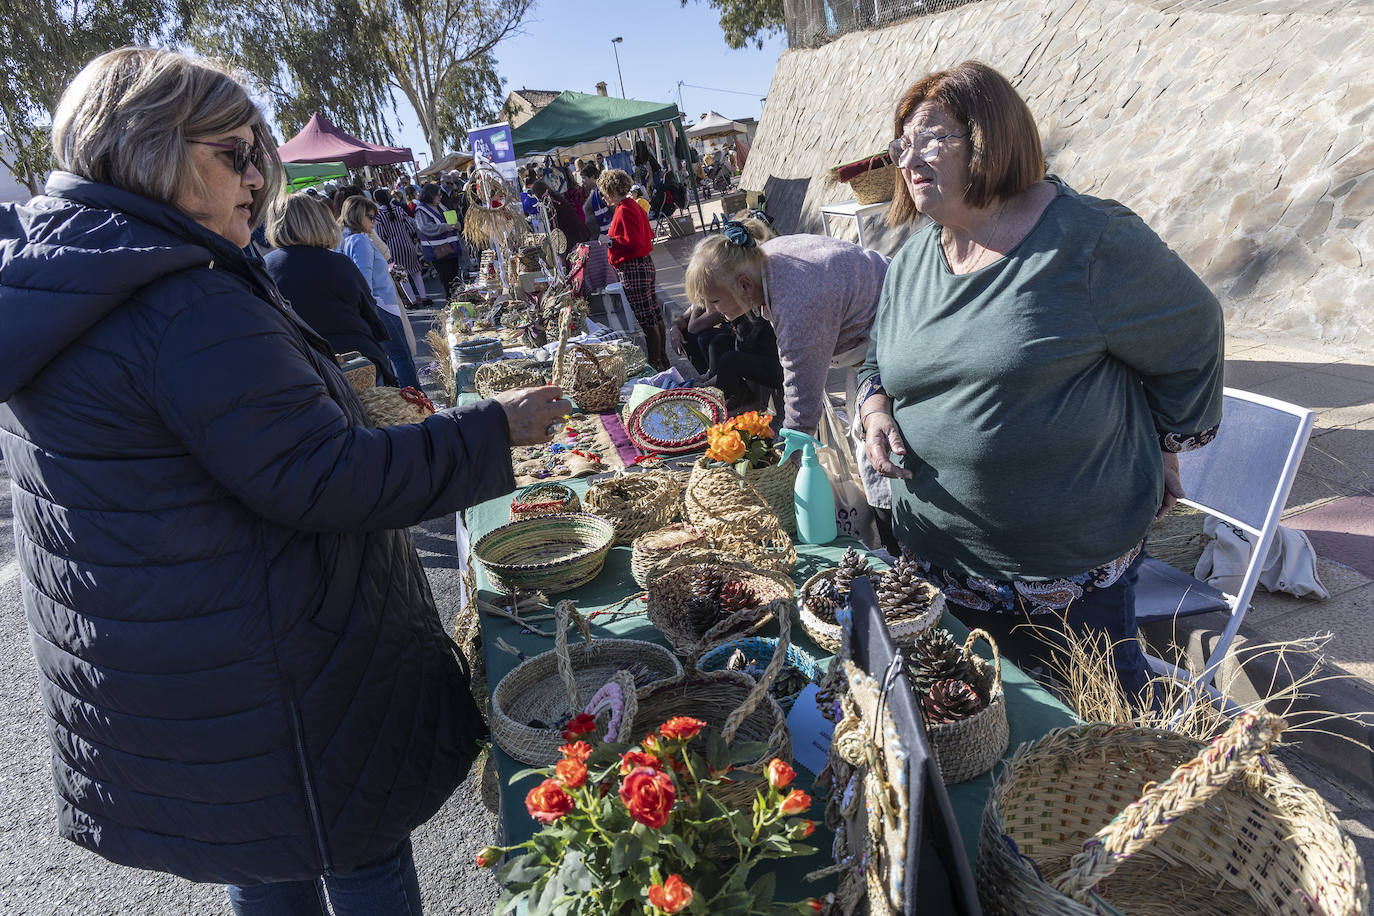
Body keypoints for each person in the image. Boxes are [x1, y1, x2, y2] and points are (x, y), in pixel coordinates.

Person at [0, 47, 573, 914]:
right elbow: (324, 477)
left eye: (260, 149)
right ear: (152, 151)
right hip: (276, 685)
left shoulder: (69, 277)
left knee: (267, 863)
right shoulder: (181, 299)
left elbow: (202, 451)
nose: (260, 175)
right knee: (358, 861)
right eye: (234, 152)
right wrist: (498, 427)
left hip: (196, 688)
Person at [858, 61, 1224, 703]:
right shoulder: (916, 252)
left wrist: (1166, 443)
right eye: (902, 146)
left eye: (932, 140)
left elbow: (1193, 334)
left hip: (1064, 583)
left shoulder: (1091, 242)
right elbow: (878, 360)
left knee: (1096, 748)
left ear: (990, 140)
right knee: (985, 745)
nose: (910, 162)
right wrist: (875, 407)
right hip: (940, 569)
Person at [263, 193, 399, 386]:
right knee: (377, 414)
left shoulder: (265, 269)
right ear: (317, 221)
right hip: (357, 362)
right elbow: (368, 309)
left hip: (305, 370)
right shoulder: (338, 263)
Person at [338, 196, 421, 389]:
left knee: (399, 356)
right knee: (402, 356)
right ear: (358, 216)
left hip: (378, 306)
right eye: (371, 217)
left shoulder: (349, 239)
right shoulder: (360, 240)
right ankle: (416, 399)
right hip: (382, 306)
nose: (374, 221)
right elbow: (363, 278)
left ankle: (413, 399)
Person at [598, 168, 669, 371]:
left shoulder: (625, 209)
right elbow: (647, 234)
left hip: (633, 268)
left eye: (604, 193)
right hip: (643, 264)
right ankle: (662, 360)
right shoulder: (633, 206)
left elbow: (632, 241)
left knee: (646, 317)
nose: (603, 197)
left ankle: (656, 363)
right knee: (653, 313)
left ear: (611, 190)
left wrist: (609, 241)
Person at [373, 187, 428, 308]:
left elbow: (382, 234)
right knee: (416, 272)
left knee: (402, 276)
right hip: (407, 243)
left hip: (392, 248)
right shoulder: (398, 209)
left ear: (376, 201)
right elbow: (409, 225)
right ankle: (424, 297)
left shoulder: (379, 215)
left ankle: (413, 301)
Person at [413, 183, 463, 295]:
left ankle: (458, 302)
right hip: (438, 251)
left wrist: (456, 224)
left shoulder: (440, 205)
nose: (440, 197)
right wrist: (445, 227)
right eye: (438, 195)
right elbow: (425, 228)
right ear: (430, 195)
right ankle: (452, 303)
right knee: (447, 280)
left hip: (451, 248)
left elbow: (449, 219)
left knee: (455, 279)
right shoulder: (421, 210)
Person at [531, 179, 591, 248]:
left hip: (572, 235)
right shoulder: (555, 198)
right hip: (576, 232)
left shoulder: (550, 202)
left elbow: (553, 223)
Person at [579, 160, 613, 239]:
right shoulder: (592, 191)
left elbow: (612, 208)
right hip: (599, 237)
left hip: (606, 235)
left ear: (593, 177)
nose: (582, 181)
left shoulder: (601, 191)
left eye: (584, 178)